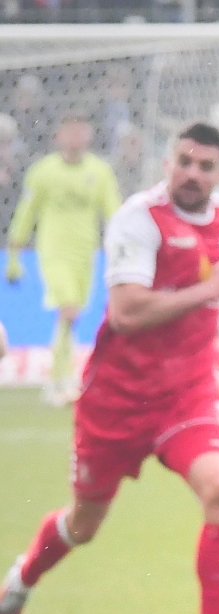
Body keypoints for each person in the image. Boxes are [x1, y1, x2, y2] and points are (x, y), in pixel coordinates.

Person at [0, 124, 219, 614]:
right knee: (84, 524)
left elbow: (205, 279)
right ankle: (18, 584)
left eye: (205, 166)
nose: (192, 173)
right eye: (184, 161)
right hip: (118, 400)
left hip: (187, 391)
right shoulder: (138, 219)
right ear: (168, 163)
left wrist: (208, 338)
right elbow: (126, 314)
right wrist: (211, 292)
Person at [6, 115, 120, 406]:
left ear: (89, 135)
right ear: (58, 135)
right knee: (68, 310)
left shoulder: (100, 171)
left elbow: (113, 213)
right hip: (53, 252)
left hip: (85, 254)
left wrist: (121, 247)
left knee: (72, 315)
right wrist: (14, 257)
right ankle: (60, 380)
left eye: (80, 130)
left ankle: (60, 378)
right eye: (69, 130)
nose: (75, 136)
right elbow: (26, 213)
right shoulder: (43, 172)